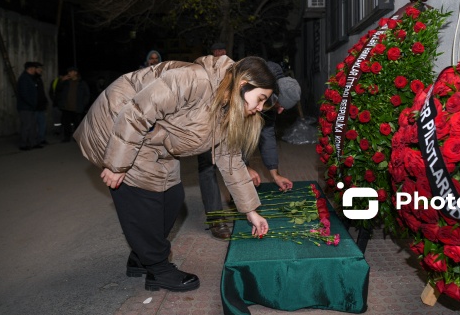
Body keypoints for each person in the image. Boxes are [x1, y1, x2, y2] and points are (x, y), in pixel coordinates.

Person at [73, 55, 276, 293]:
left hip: (155, 139)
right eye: (260, 99)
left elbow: (230, 161)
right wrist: (118, 164)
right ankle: (158, 269)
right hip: (118, 124)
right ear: (243, 85)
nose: (260, 108)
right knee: (144, 198)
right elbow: (137, 112)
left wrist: (251, 211)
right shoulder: (194, 80)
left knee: (173, 197)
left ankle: (141, 257)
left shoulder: (226, 107)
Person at [200, 50, 301, 239]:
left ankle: (238, 198)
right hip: (205, 122)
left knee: (228, 161)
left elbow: (264, 135)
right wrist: (245, 167)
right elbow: (234, 133)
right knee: (207, 164)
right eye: (279, 107)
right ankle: (215, 219)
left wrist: (274, 173)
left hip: (224, 132)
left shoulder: (263, 98)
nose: (278, 111)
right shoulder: (257, 84)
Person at [56, 67, 90, 142]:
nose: (69, 73)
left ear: (75, 73)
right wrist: (61, 81)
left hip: (77, 107)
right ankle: (67, 137)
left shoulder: (82, 83)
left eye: (70, 72)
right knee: (66, 124)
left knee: (77, 124)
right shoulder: (66, 82)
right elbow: (58, 89)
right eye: (68, 72)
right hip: (66, 107)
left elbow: (87, 94)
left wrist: (83, 104)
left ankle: (76, 138)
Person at [16, 61, 42, 150]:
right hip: (25, 107)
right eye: (35, 68)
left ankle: (33, 143)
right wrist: (32, 103)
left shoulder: (30, 78)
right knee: (26, 126)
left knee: (33, 125)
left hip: (30, 107)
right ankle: (23, 144)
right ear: (30, 69)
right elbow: (24, 94)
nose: (36, 70)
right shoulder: (24, 78)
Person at [34, 63, 49, 145]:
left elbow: (41, 92)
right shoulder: (32, 78)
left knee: (42, 123)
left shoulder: (39, 79)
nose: (41, 70)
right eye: (39, 68)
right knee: (34, 124)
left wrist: (45, 101)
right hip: (35, 106)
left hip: (41, 106)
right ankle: (35, 140)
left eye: (41, 68)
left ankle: (41, 139)